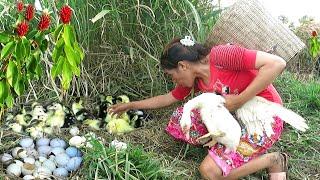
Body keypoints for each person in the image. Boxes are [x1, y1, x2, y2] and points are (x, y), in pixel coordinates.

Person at [109, 36, 288, 180]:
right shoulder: (196, 80)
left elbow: (276, 64)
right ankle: (230, 149)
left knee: (209, 172)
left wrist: (240, 100)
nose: (173, 80)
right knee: (181, 119)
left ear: (183, 66)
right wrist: (131, 105)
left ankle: (273, 160)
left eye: (171, 75)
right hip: (237, 117)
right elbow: (168, 98)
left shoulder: (221, 56)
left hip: (265, 117)